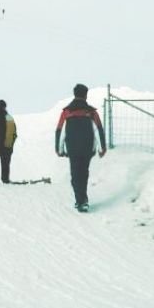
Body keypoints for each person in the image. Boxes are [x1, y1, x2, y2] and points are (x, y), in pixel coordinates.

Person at [55, 83, 107, 213]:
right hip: (88, 148)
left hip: (72, 148)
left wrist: (59, 149)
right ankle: (83, 200)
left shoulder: (66, 112)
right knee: (84, 173)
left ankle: (80, 201)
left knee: (75, 174)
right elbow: (98, 129)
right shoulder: (91, 112)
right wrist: (102, 148)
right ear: (85, 95)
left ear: (74, 94)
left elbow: (60, 131)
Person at [0, 100, 17, 184]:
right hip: (7, 145)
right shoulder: (9, 117)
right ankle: (5, 179)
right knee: (5, 163)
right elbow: (13, 132)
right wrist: (11, 143)